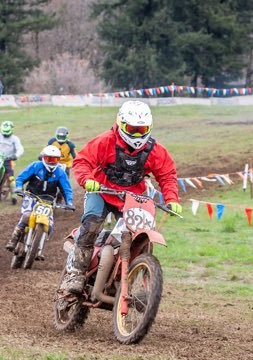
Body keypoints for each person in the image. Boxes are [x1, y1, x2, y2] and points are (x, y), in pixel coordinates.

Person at [64, 100, 182, 294]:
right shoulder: (105, 141)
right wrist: (87, 180)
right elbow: (82, 161)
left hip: (132, 198)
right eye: (132, 129)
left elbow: (167, 175)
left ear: (149, 128)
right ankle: (75, 272)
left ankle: (132, 278)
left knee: (141, 235)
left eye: (141, 129)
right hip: (101, 191)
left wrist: (172, 199)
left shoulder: (155, 150)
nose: (136, 134)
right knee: (92, 223)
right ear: (121, 124)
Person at [5, 145, 74, 252]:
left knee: (50, 223)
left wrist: (69, 202)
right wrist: (19, 188)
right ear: (43, 158)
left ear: (59, 160)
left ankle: (39, 247)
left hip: (49, 200)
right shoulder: (36, 166)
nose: (51, 162)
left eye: (55, 159)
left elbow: (66, 189)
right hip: (31, 195)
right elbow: (21, 177)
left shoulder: (60, 172)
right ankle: (13, 239)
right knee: (27, 215)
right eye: (49, 159)